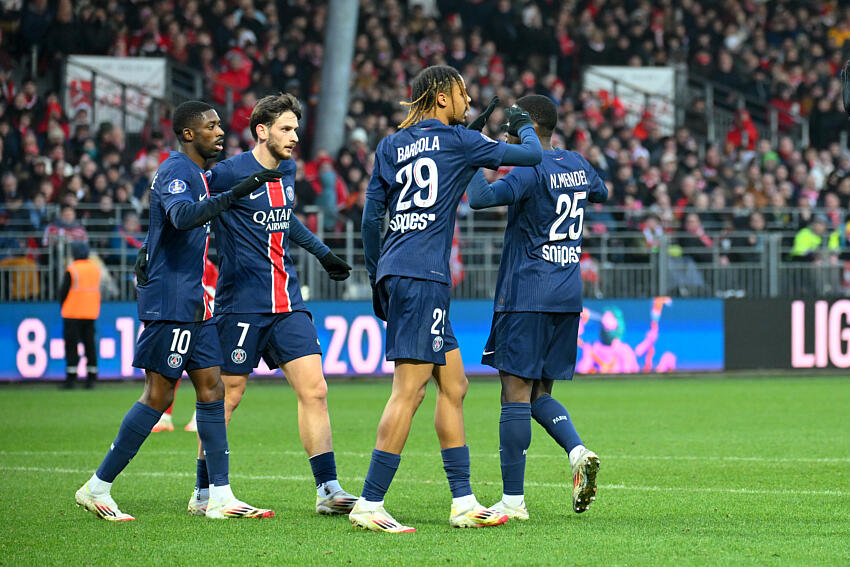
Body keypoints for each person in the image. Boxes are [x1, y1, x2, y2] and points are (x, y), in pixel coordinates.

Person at [353, 65, 543, 533]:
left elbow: (369, 218)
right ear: (441, 97)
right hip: (425, 276)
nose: (469, 99)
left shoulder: (390, 145)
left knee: (454, 385)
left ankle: (463, 501)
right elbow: (534, 157)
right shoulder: (460, 142)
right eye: (462, 93)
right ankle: (370, 503)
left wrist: (379, 274)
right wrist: (522, 126)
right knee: (410, 390)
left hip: (400, 270)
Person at [75, 100, 281, 521]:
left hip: (195, 303)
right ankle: (97, 488)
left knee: (212, 388)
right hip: (170, 302)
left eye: (220, 125)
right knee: (159, 395)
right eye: (210, 126)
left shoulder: (199, 174)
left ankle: (216, 496)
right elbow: (182, 217)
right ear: (188, 134)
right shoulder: (176, 171)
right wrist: (236, 193)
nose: (220, 132)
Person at [190, 93, 357, 517]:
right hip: (241, 303)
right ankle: (204, 491)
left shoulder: (288, 169)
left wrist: (322, 252)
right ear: (262, 131)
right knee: (228, 396)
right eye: (286, 128)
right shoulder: (227, 173)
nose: (294, 137)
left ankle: (328, 489)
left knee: (315, 390)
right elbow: (192, 211)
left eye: (296, 129)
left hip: (288, 300)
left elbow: (286, 218)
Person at [465, 94, 606, 520]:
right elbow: (600, 191)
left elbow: (480, 199)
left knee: (514, 393)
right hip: (566, 296)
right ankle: (578, 450)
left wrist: (471, 157)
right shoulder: (578, 163)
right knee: (540, 393)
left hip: (526, 294)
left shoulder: (530, 169)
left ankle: (512, 501)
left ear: (523, 126)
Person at [58, 241, 100, 389]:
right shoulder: (95, 268)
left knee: (71, 346)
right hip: (90, 312)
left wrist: (62, 304)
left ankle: (71, 379)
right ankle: (92, 379)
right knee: (90, 346)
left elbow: (63, 291)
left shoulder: (72, 268)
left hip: (72, 313)